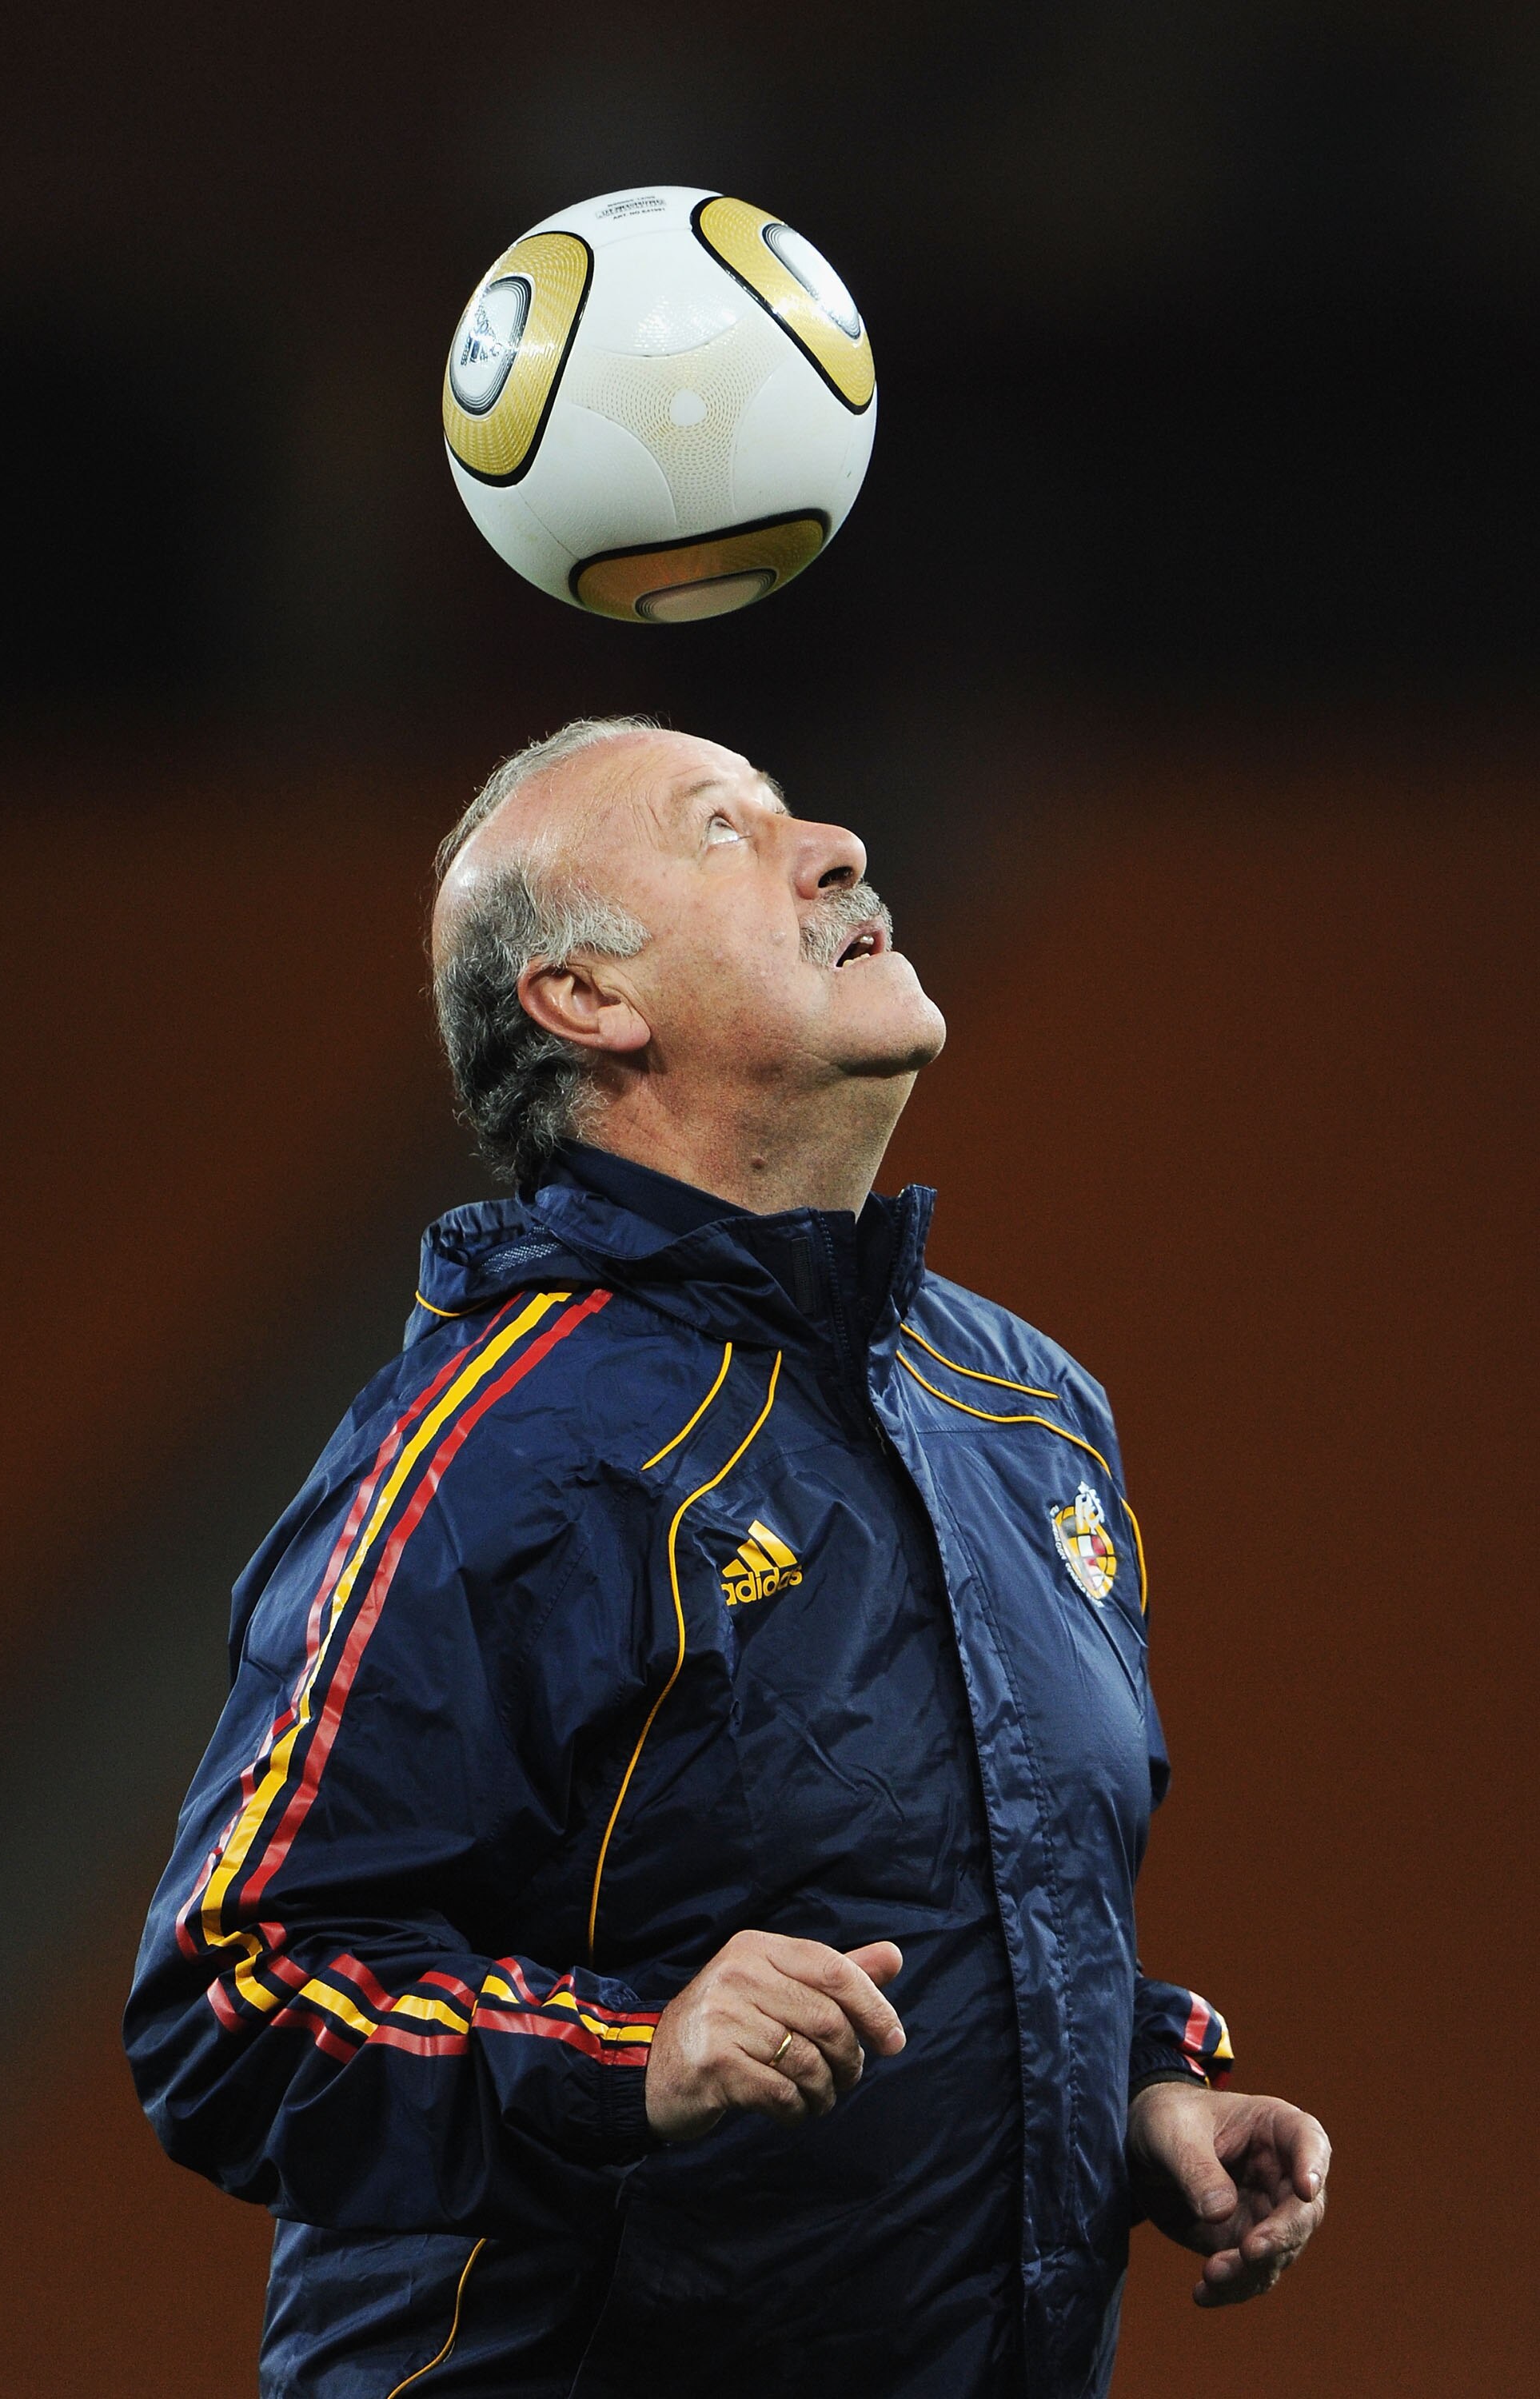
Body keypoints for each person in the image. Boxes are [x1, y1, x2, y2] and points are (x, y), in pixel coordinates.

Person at [126, 717, 1330, 2399]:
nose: (834, 843)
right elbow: (229, 2004)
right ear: (586, 1002)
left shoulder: (1028, 1404)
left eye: (793, 809)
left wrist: (1142, 2087)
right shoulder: (488, 1456)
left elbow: (968, 1895)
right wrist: (635, 2055)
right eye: (723, 831)